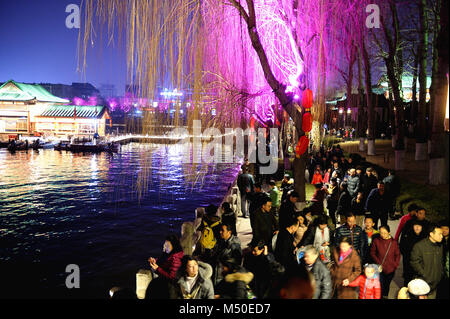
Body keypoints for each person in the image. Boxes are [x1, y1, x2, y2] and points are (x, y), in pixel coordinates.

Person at [410, 223, 444, 299]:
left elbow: (440, 262)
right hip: (423, 285)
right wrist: (425, 275)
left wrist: (440, 274)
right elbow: (414, 263)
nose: (442, 236)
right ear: (431, 234)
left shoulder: (440, 246)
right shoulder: (419, 246)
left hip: (435, 285)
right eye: (439, 234)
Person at [370, 225, 400, 299]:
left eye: (385, 233)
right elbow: (372, 253)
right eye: (381, 233)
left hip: (390, 269)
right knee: (380, 285)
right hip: (380, 269)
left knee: (387, 285)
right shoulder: (376, 241)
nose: (382, 235)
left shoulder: (394, 242)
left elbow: (397, 255)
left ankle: (385, 296)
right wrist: (378, 262)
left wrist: (395, 265)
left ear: (389, 232)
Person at [399, 219, 426, 286]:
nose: (417, 227)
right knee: (407, 278)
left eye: (419, 226)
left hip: (420, 262)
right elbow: (402, 246)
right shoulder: (407, 235)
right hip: (408, 261)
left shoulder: (425, 237)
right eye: (415, 226)